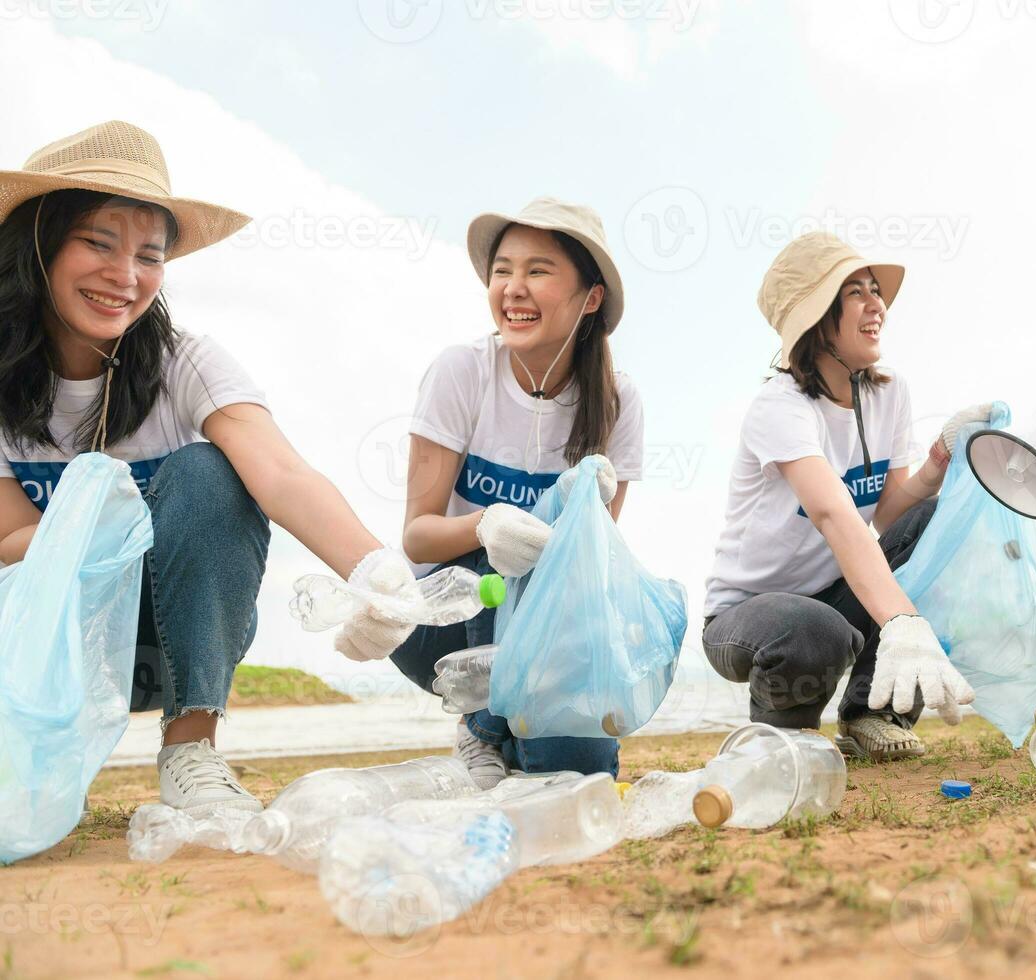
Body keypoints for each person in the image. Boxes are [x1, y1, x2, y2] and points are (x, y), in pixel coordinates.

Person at [0, 121, 426, 815]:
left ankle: (191, 751)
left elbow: (280, 474)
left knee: (211, 469)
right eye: (98, 244)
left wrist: (374, 574)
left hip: (170, 636)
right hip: (61, 645)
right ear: (38, 245)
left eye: (150, 255)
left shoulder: (183, 363)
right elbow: (8, 538)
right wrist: (100, 527)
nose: (127, 277)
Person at [702, 231, 989, 761]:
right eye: (854, 291)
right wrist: (904, 623)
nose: (876, 302)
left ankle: (872, 713)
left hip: (837, 591)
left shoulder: (889, 392)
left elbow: (891, 513)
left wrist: (936, 464)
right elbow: (835, 514)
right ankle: (781, 737)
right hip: (748, 616)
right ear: (815, 319)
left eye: (874, 289)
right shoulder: (779, 406)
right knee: (812, 629)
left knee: (933, 523)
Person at [388, 198, 643, 786]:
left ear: (591, 297)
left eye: (538, 271)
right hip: (442, 619)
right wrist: (486, 524)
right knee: (500, 547)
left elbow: (593, 563)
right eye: (502, 270)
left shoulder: (617, 401)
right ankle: (480, 728)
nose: (513, 289)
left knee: (576, 774)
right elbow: (419, 537)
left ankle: (528, 736)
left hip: (547, 622)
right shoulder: (462, 372)